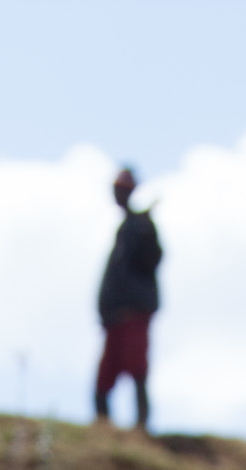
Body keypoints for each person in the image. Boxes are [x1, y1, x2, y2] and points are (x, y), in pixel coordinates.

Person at [95, 167, 162, 430]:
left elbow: (153, 259)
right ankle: (103, 429)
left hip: (134, 315)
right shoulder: (126, 229)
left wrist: (144, 232)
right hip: (114, 318)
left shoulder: (141, 228)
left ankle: (141, 427)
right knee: (104, 378)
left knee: (137, 370)